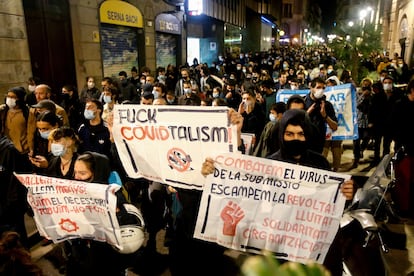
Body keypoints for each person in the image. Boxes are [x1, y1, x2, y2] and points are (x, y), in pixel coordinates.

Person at [202, 108, 354, 276]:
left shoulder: (320, 163)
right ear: (282, 135)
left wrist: (345, 194)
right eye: (289, 134)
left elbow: (333, 203)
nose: (295, 139)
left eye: (300, 134)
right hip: (279, 249)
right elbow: (244, 188)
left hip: (310, 247)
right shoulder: (270, 164)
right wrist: (215, 173)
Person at [391, 78, 414, 216]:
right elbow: (393, 127)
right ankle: (403, 209)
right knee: (403, 181)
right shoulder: (400, 105)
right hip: (404, 150)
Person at [304, 77, 338, 153]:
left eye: (323, 88)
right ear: (311, 88)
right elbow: (295, 123)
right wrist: (307, 113)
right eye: (318, 87)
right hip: (303, 142)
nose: (321, 90)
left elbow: (334, 126)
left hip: (319, 144)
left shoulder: (327, 105)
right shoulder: (303, 102)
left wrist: (325, 116)